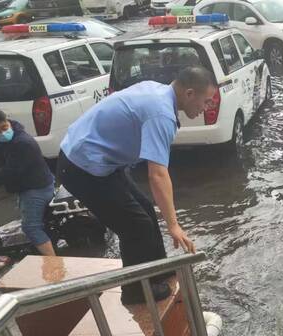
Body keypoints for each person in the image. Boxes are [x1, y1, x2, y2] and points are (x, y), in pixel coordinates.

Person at [57, 67, 217, 305]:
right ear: (190, 93)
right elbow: (158, 175)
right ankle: (135, 292)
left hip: (102, 160)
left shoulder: (159, 91)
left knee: (145, 210)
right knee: (135, 226)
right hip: (82, 166)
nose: (206, 108)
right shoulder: (161, 113)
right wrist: (174, 225)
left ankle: (160, 271)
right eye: (205, 102)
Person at [0, 107, 56, 256]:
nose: (1, 134)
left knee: (30, 227)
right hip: (30, 184)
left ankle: (54, 265)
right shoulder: (3, 139)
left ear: (7, 120)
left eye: (4, 128)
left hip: (37, 188)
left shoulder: (21, 143)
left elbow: (9, 172)